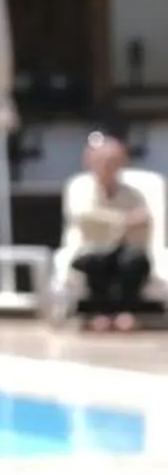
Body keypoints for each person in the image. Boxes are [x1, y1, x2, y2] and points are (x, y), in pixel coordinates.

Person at [65, 127, 156, 332]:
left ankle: (127, 312)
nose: (108, 167)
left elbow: (144, 221)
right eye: (103, 161)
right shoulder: (81, 188)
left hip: (124, 249)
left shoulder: (133, 194)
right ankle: (99, 313)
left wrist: (113, 224)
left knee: (135, 260)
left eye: (114, 161)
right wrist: (123, 221)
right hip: (91, 249)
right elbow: (85, 218)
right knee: (96, 261)